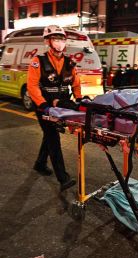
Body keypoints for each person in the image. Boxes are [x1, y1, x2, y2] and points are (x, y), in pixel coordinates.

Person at [27, 25, 80, 191]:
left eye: (62, 38)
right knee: (52, 136)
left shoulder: (70, 63)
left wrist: (79, 99)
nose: (59, 42)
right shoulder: (38, 61)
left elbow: (76, 84)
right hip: (44, 105)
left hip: (61, 105)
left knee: (50, 134)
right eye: (55, 38)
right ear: (48, 41)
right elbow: (32, 86)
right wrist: (42, 105)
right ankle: (62, 178)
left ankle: (40, 164)